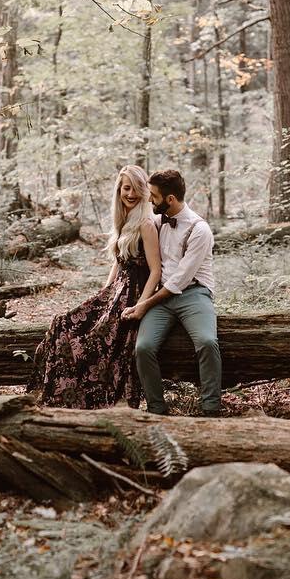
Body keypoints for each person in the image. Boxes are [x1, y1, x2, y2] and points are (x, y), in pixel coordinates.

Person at [26, 165, 163, 408]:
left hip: (133, 296)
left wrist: (141, 305)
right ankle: (55, 396)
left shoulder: (146, 223)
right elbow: (118, 263)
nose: (130, 194)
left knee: (95, 339)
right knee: (63, 323)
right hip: (116, 293)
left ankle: (90, 400)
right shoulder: (124, 219)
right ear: (119, 190)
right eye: (126, 188)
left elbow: (155, 271)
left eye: (136, 189)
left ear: (144, 191)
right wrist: (103, 294)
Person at [124, 169, 222, 416]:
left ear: (170, 199)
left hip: (194, 293)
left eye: (154, 196)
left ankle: (210, 408)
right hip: (162, 298)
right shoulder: (156, 222)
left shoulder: (200, 229)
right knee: (143, 348)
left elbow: (180, 279)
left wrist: (144, 305)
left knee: (207, 342)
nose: (149, 200)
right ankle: (157, 409)